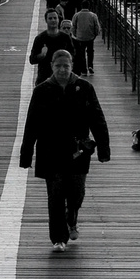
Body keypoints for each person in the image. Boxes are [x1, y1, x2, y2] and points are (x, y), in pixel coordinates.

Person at [19, 50, 110, 251]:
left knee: (77, 192)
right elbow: (32, 124)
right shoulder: (42, 90)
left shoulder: (84, 88)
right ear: (52, 66)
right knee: (55, 195)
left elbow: (97, 119)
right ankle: (58, 238)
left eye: (66, 66)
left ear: (71, 66)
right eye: (58, 66)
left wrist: (104, 148)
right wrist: (26, 154)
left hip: (78, 151)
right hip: (50, 150)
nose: (62, 70)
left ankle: (72, 216)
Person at [28, 8, 75, 84]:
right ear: (46, 20)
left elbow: (73, 55)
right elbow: (32, 59)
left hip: (62, 78)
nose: (53, 20)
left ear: (58, 20)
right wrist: (41, 55)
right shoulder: (40, 38)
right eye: (50, 18)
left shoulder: (65, 38)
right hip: (44, 78)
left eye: (55, 18)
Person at [70, 1, 100, 75]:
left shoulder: (76, 15)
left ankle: (83, 69)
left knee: (81, 53)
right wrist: (95, 34)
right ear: (89, 6)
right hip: (90, 36)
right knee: (90, 51)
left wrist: (75, 35)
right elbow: (96, 26)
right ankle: (90, 65)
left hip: (80, 37)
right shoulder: (93, 15)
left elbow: (73, 26)